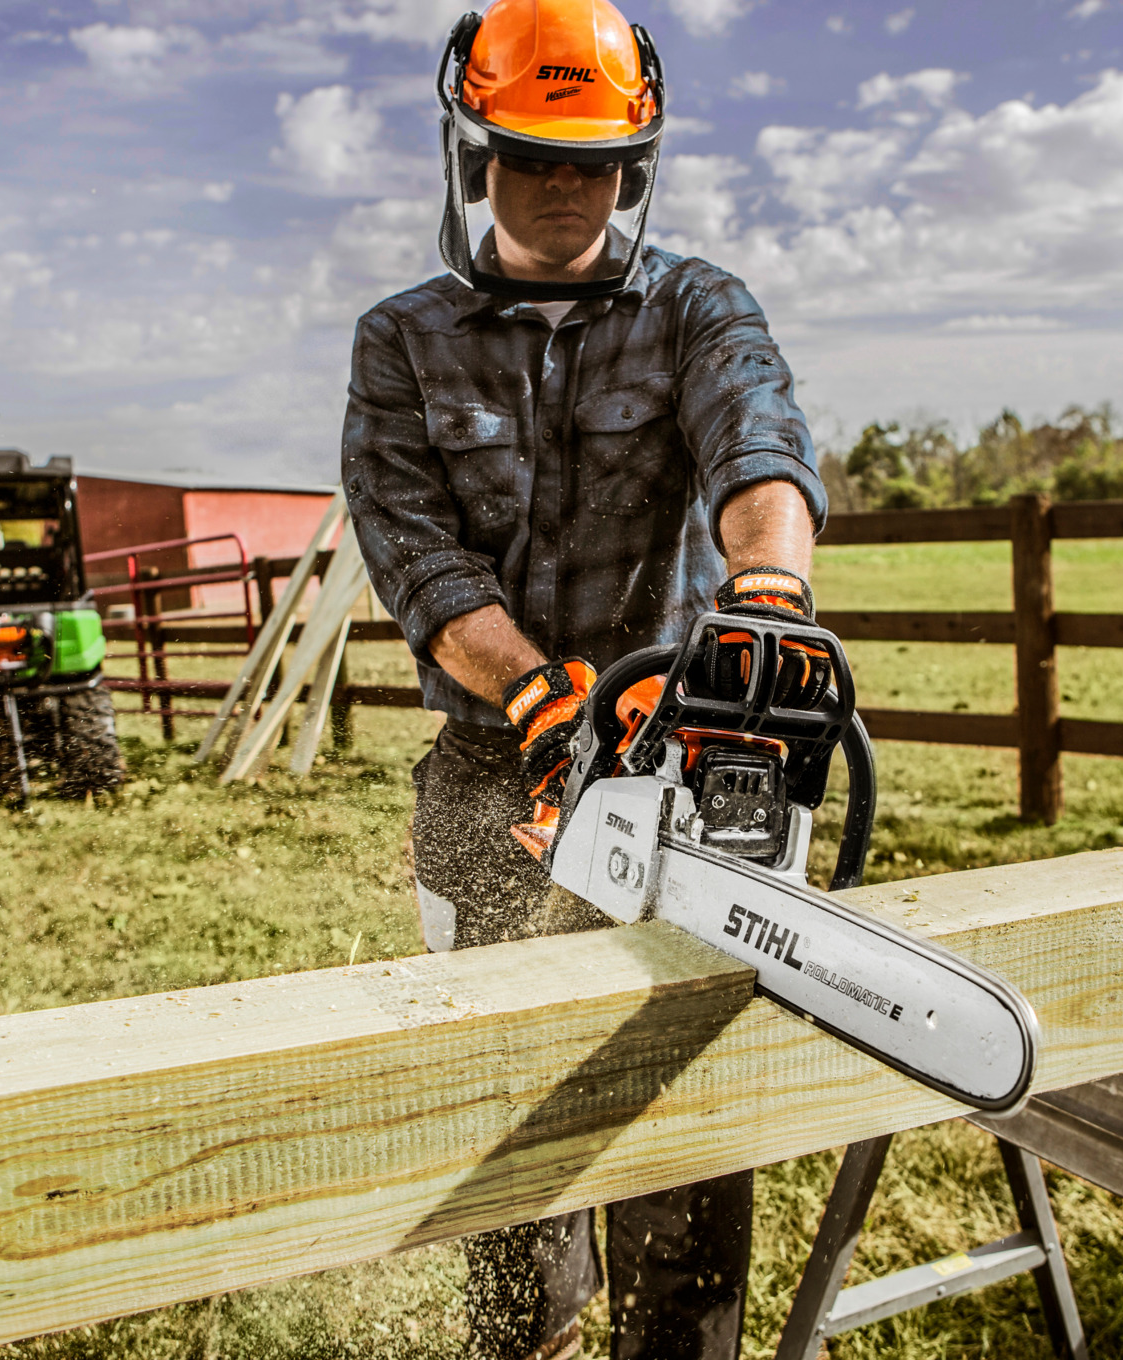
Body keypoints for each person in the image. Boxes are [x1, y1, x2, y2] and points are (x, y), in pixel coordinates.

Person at [340, 2, 829, 1355]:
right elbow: (417, 557)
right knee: (509, 1118)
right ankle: (528, 1333)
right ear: (473, 156)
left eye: (591, 162)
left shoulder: (694, 305)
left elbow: (759, 441)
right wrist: (537, 695)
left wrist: (770, 596)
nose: (563, 188)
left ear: (633, 166)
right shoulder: (402, 341)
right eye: (530, 156)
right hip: (495, 765)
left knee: (675, 1119)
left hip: (674, 769)